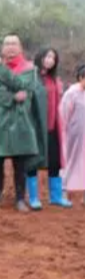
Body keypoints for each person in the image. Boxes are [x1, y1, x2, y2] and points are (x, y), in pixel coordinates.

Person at [0, 34, 46, 213]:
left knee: (20, 162)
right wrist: (12, 97)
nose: (10, 47)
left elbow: (21, 84)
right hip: (0, 120)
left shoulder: (29, 69)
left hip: (21, 121)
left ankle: (20, 198)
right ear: (2, 48)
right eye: (7, 44)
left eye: (14, 44)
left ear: (20, 48)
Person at [26, 48, 72, 209]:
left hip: (53, 127)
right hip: (36, 127)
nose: (50, 60)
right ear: (40, 57)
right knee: (33, 161)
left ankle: (56, 196)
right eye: (47, 56)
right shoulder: (32, 77)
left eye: (53, 57)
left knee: (55, 161)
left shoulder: (55, 80)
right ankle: (33, 197)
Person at [60, 64, 85, 204]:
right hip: (73, 136)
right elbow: (63, 115)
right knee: (68, 162)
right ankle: (63, 191)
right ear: (81, 78)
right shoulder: (71, 93)